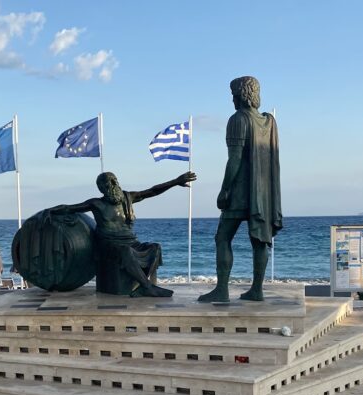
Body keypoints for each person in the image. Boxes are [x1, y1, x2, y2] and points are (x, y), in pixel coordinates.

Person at [198, 76, 282, 303]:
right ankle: (257, 290)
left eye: (233, 94)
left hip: (240, 191)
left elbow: (234, 159)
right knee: (260, 242)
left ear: (240, 95)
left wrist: (224, 190)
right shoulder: (269, 122)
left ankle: (222, 289)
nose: (232, 99)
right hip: (263, 193)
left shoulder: (238, 119)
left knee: (223, 237)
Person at [49, 171, 196, 297]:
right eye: (106, 184)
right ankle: (147, 287)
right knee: (126, 251)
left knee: (155, 247)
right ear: (101, 188)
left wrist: (175, 182)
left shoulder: (128, 198)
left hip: (131, 241)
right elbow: (69, 208)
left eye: (113, 181)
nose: (112, 185)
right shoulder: (96, 203)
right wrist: (49, 212)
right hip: (108, 245)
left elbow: (152, 191)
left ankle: (143, 285)